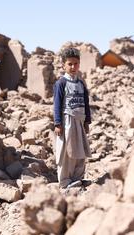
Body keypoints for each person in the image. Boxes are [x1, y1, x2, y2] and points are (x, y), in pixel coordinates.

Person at [53, 47, 92, 189]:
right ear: (64, 65)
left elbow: (86, 103)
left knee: (80, 150)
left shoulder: (81, 83)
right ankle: (64, 181)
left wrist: (87, 121)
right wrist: (57, 123)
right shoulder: (61, 83)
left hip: (80, 121)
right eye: (69, 64)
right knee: (66, 152)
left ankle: (78, 178)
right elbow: (57, 104)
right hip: (67, 121)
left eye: (76, 64)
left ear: (79, 64)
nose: (73, 67)